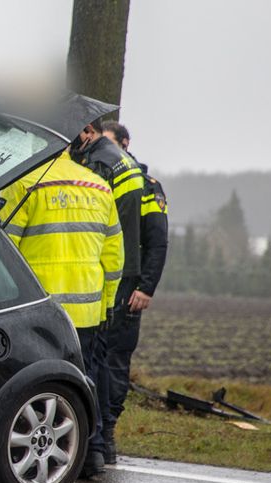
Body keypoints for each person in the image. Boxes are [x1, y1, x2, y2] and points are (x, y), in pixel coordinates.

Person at [0, 149, 123, 478]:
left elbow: (3, 249)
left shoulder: (26, 185)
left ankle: (41, 457)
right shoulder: (99, 187)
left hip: (41, 312)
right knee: (87, 378)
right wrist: (106, 303)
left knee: (37, 384)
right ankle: (92, 453)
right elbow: (114, 258)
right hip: (87, 308)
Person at [68, 121, 145, 475]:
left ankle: (92, 447)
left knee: (90, 367)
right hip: (110, 279)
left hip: (90, 285)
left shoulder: (97, 167)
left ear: (86, 131)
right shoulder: (122, 161)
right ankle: (98, 447)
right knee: (99, 364)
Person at [98, 121, 169, 464]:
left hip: (130, 286)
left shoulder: (147, 188)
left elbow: (158, 241)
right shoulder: (98, 179)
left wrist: (146, 287)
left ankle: (107, 432)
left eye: (111, 145)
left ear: (125, 144)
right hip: (100, 281)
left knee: (115, 360)